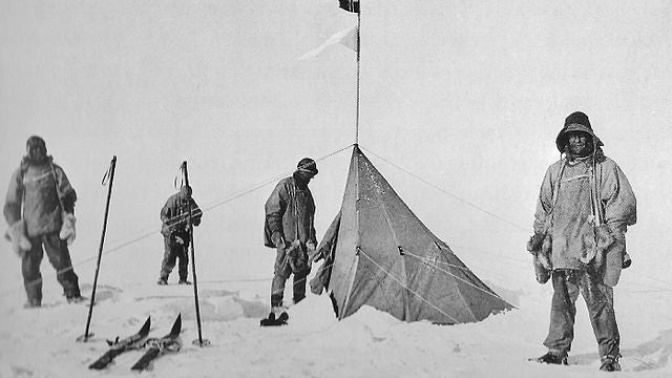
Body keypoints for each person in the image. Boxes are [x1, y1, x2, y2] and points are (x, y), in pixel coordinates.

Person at [529, 111, 637, 372]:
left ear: (590, 137)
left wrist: (612, 238)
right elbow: (543, 209)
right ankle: (556, 351)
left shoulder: (605, 168)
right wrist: (540, 238)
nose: (577, 140)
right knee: (561, 303)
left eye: (581, 134)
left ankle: (610, 357)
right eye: (572, 135)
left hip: (591, 252)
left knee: (600, 305)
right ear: (565, 140)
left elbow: (621, 205)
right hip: (562, 250)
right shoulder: (555, 172)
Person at [3, 136, 83, 308]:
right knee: (30, 268)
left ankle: (73, 295)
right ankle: (34, 300)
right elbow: (11, 202)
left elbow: (68, 194)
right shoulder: (22, 172)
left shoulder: (54, 170)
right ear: (29, 151)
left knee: (62, 263)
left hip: (53, 227)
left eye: (40, 148)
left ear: (45, 149)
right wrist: (16, 227)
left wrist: (68, 217)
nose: (38, 152)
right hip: (30, 232)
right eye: (34, 149)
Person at [262, 158, 319, 323]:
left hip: (303, 244)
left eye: (311, 175)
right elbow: (272, 210)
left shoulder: (307, 195)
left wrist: (311, 240)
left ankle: (298, 308)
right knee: (281, 273)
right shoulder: (284, 187)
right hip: (285, 243)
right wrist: (276, 232)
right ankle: (276, 308)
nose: (310, 178)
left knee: (301, 274)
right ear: (301, 171)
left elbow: (310, 220)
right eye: (308, 174)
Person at [157, 185, 203, 285]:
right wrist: (168, 222)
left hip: (183, 232)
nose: (187, 198)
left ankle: (183, 278)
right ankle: (163, 277)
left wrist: (194, 218)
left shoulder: (190, 202)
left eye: (189, 196)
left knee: (184, 256)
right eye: (186, 196)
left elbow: (198, 213)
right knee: (170, 255)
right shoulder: (172, 200)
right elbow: (163, 214)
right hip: (171, 232)